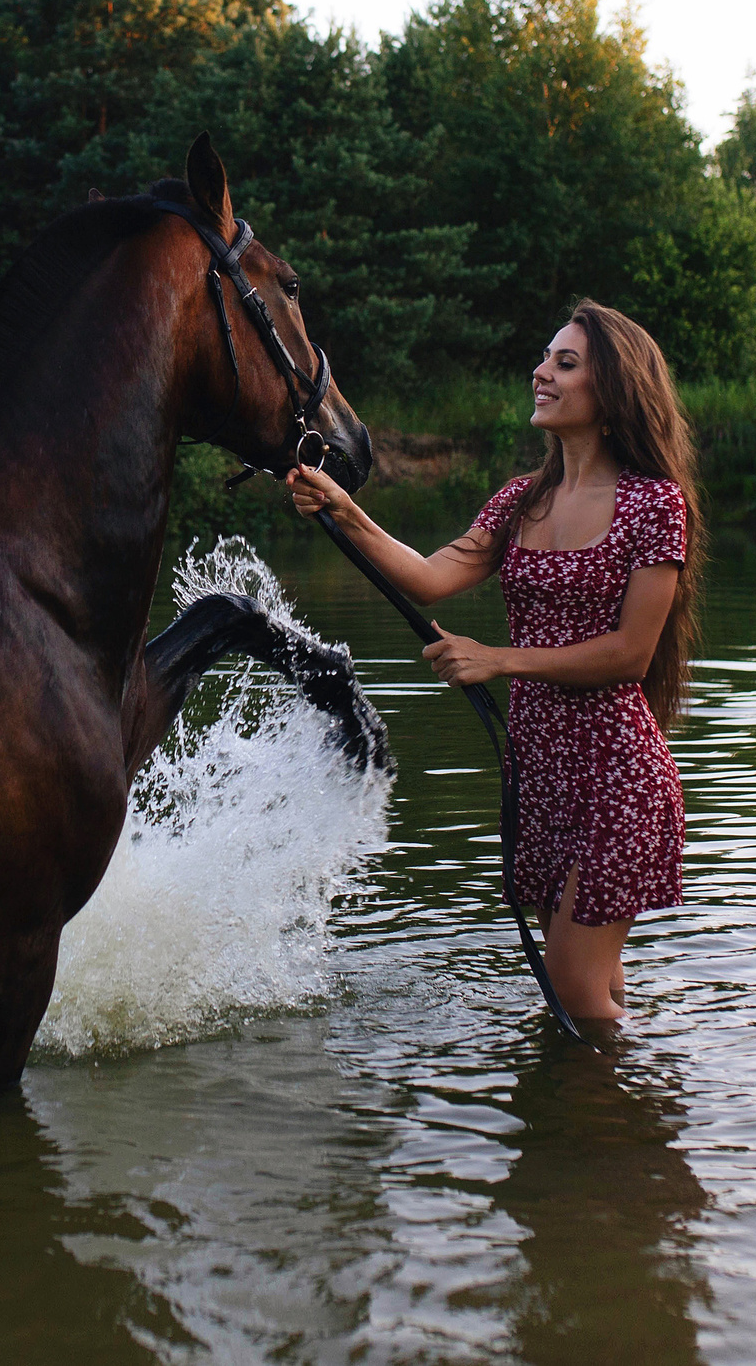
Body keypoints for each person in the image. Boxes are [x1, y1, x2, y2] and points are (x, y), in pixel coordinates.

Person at [288, 300, 700, 1022]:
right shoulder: (520, 502)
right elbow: (427, 575)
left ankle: (615, 1118)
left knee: (572, 984)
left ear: (614, 391)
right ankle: (607, 1112)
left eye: (565, 363)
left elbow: (631, 654)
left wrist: (499, 659)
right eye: (545, 358)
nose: (540, 372)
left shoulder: (654, 504)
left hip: (617, 775)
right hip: (540, 776)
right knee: (586, 978)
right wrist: (344, 509)